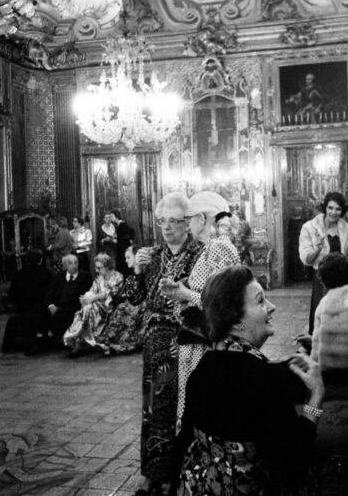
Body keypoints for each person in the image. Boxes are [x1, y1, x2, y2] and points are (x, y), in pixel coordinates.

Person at [174, 265, 325, 495]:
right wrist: (316, 398)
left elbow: (183, 439)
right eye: (261, 301)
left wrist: (278, 368)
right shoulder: (264, 380)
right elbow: (294, 463)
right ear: (235, 321)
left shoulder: (204, 367)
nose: (272, 307)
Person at [134, 192, 204, 496]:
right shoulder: (152, 254)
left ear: (187, 223)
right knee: (154, 408)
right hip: (155, 343)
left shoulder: (201, 254)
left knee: (183, 407)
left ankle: (179, 472)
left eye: (173, 221)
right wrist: (137, 271)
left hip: (186, 340)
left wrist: (183, 294)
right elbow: (135, 298)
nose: (166, 227)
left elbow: (208, 297)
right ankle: (153, 471)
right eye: (161, 221)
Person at [159, 191, 240, 427]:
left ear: (202, 219)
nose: (187, 225)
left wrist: (185, 294)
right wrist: (182, 287)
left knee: (200, 408)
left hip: (206, 342)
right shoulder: (212, 247)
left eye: (189, 219)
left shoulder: (218, 247)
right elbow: (208, 290)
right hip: (199, 339)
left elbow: (223, 303)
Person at [299, 191, 348, 334]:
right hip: (321, 279)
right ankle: (315, 342)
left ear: (342, 211)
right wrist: (318, 249)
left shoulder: (347, 229)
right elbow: (307, 260)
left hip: (341, 280)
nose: (333, 212)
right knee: (320, 313)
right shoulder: (310, 228)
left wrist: (347, 263)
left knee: (340, 316)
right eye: (330, 208)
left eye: (338, 209)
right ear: (325, 207)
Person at [25, 254, 92, 356]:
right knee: (39, 309)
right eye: (70, 263)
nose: (74, 266)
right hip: (57, 304)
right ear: (65, 266)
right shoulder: (58, 277)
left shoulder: (85, 277)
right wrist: (51, 305)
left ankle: (46, 339)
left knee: (63, 313)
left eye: (76, 263)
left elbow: (86, 294)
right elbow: (49, 293)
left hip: (73, 306)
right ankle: (40, 337)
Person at [63, 253, 123, 357]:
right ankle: (83, 341)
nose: (97, 270)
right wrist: (85, 299)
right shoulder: (99, 278)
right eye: (96, 268)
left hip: (111, 306)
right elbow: (92, 291)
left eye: (99, 268)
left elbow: (111, 293)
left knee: (88, 308)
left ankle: (79, 341)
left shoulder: (118, 276)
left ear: (107, 266)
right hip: (97, 306)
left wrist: (93, 298)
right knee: (87, 308)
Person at [94, 244, 147, 355]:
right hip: (130, 304)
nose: (126, 260)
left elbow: (139, 295)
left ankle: (122, 344)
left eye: (128, 257)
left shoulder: (145, 274)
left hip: (142, 306)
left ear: (137, 257)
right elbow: (124, 294)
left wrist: (139, 271)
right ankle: (110, 342)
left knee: (130, 311)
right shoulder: (130, 276)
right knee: (120, 309)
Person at [2, 249, 52, 353]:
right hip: (42, 311)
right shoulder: (47, 274)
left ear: (26, 260)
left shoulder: (18, 274)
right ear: (41, 260)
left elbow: (12, 295)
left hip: (23, 309)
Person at [112, 210, 135, 277]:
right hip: (122, 249)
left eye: (112, 216)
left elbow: (130, 233)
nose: (111, 218)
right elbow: (130, 232)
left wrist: (117, 240)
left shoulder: (122, 224)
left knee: (123, 267)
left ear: (116, 216)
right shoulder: (120, 224)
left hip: (123, 250)